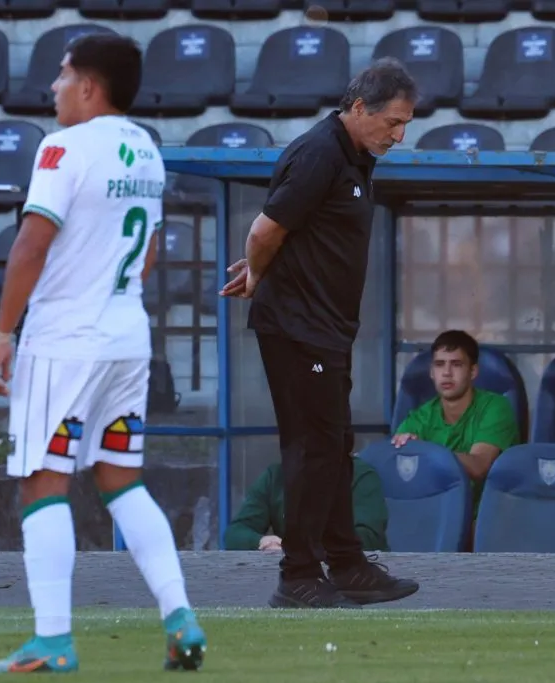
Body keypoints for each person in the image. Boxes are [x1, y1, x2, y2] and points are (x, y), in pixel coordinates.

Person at [0, 34, 205, 673]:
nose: (53, 88)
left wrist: (3, 332)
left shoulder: (64, 147)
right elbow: (152, 250)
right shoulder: (146, 151)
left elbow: (31, 244)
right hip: (125, 338)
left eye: (61, 76)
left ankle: (52, 640)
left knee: (41, 484)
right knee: (120, 480)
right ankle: (179, 615)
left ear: (88, 85)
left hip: (64, 343)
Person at [220, 58, 420, 609]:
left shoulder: (356, 154)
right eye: (393, 122)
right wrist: (258, 273)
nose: (399, 135)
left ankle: (348, 564)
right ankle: (299, 576)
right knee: (312, 447)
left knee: (333, 445)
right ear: (359, 108)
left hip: (327, 329)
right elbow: (265, 228)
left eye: (406, 124)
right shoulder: (319, 153)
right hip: (298, 328)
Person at [392, 330, 520, 515]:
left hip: (485, 519)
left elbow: (479, 466)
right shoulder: (419, 417)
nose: (446, 373)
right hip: (433, 515)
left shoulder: (496, 407)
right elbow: (400, 472)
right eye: (439, 364)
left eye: (457, 364)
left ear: (473, 371)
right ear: (431, 372)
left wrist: (424, 451)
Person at [223, 455, 391, 552]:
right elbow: (234, 534)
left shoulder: (360, 475)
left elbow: (369, 537)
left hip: (359, 577)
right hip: (300, 578)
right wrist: (262, 542)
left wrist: (301, 549)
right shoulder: (275, 476)